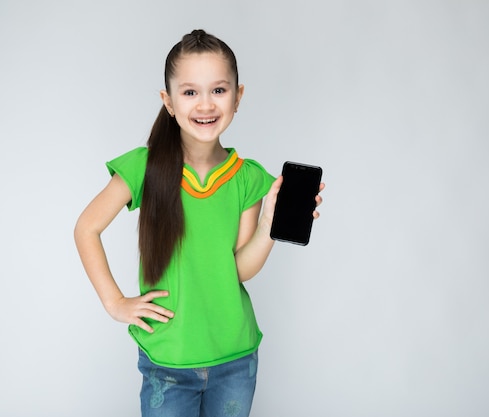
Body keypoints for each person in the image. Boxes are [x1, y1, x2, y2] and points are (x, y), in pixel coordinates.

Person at [74, 29, 324, 417]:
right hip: (168, 361)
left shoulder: (248, 178)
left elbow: (238, 269)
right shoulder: (144, 167)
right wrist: (116, 302)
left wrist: (269, 227)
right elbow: (86, 228)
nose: (205, 104)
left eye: (218, 91)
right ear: (168, 102)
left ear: (238, 97)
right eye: (190, 92)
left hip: (236, 359)